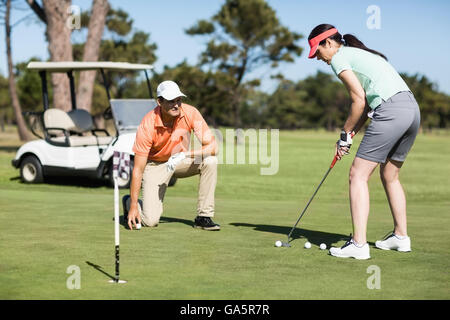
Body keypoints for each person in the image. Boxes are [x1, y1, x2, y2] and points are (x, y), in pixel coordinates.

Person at [307, 24, 420, 259]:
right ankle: (401, 237)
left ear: (328, 43)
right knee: (390, 175)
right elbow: (367, 104)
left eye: (317, 52)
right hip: (411, 109)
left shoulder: (339, 57)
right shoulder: (360, 54)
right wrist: (349, 136)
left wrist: (343, 134)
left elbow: (358, 101)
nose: (318, 58)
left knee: (357, 175)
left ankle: (358, 245)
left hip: (391, 110)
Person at [126, 80, 220, 231]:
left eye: (179, 100)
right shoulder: (148, 123)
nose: (176, 105)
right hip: (155, 165)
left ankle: (204, 217)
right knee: (150, 221)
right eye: (171, 101)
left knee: (210, 161)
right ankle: (130, 201)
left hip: (180, 161)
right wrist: (132, 206)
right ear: (159, 102)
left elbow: (213, 147)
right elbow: (137, 169)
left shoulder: (190, 113)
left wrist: (185, 154)